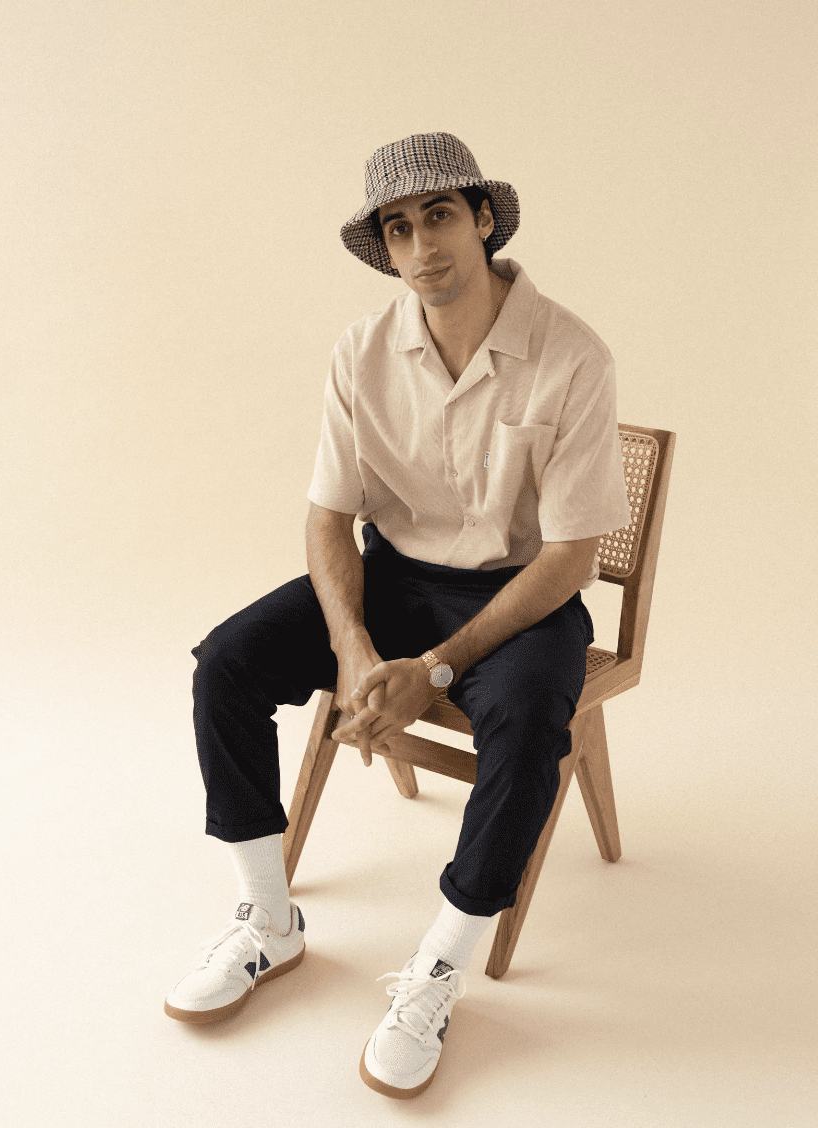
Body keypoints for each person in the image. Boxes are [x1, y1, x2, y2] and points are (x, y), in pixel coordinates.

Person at [164, 132, 632, 1099]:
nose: (423, 245)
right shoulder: (362, 351)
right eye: (399, 227)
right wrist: (354, 643)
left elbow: (572, 558)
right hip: (393, 579)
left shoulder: (572, 354)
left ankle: (441, 968)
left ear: (484, 219)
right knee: (226, 666)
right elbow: (328, 514)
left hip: (522, 597)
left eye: (441, 216)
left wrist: (441, 667)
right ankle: (268, 923)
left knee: (529, 723)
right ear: (386, 245)